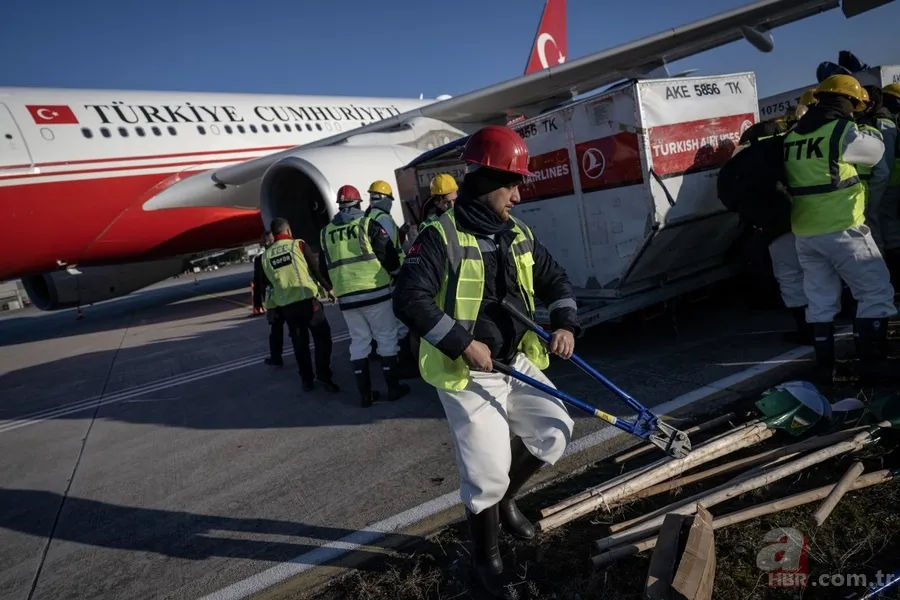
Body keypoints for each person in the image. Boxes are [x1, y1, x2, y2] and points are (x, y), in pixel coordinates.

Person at [392, 125, 579, 595]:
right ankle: (485, 560)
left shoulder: (517, 232)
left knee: (555, 432)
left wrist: (565, 324)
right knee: (486, 474)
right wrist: (462, 343)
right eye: (511, 185)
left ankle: (506, 501)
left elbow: (556, 280)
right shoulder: (439, 235)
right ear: (487, 181)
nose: (518, 196)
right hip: (468, 373)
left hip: (516, 362)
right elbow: (409, 299)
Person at [781, 74, 896, 384]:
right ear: (850, 102)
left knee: (820, 300)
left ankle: (824, 368)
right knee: (875, 292)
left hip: (805, 232)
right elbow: (875, 154)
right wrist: (867, 127)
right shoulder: (842, 130)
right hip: (843, 229)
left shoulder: (791, 136)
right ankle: (873, 364)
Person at [319, 184, 410, 406]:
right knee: (386, 338)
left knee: (359, 342)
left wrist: (334, 287)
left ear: (340, 206)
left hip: (347, 298)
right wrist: (397, 273)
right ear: (359, 203)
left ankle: (365, 395)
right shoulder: (367, 224)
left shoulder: (326, 232)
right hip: (375, 292)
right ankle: (393, 388)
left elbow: (323, 266)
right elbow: (387, 254)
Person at [261, 217, 339, 393]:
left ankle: (306, 380)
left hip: (288, 308)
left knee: (300, 344)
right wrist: (329, 289)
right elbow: (315, 269)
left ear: (273, 234)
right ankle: (323, 374)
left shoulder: (266, 256)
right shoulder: (298, 245)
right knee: (323, 339)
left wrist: (271, 309)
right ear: (288, 230)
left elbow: (269, 286)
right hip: (308, 303)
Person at [365, 179, 417, 377]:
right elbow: (387, 249)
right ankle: (404, 367)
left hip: (377, 278)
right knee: (400, 324)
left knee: (383, 325)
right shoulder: (383, 218)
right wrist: (397, 272)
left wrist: (401, 233)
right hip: (391, 277)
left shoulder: (367, 217)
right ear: (385, 199)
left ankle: (383, 358)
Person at [854, 86, 893, 248]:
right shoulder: (869, 125)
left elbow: (884, 166)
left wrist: (874, 195)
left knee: (878, 223)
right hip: (878, 185)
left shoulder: (876, 126)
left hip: (883, 186)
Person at [876, 83, 900, 287]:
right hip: (890, 185)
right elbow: (888, 161)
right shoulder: (886, 123)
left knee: (890, 229)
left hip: (890, 185)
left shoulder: (887, 121)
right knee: (891, 229)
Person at [253, 230, 287, 366]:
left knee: (276, 331)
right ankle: (300, 351)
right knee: (293, 328)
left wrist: (257, 302)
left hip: (274, 301)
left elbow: (258, 282)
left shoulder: (260, 259)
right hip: (288, 296)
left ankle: (276, 357)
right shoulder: (284, 252)